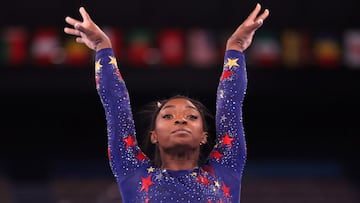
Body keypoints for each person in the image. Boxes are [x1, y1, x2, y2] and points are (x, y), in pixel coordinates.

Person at [64, 3, 269, 203]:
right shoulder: (132, 171)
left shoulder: (226, 168)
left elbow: (230, 104)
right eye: (168, 116)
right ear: (154, 135)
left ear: (204, 136)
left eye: (191, 116)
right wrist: (102, 47)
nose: (180, 121)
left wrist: (236, 47)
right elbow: (116, 106)